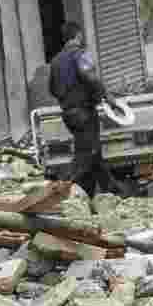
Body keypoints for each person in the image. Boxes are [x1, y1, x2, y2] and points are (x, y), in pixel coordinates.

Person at [48, 21, 124, 211]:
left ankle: (104, 193)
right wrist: (107, 96)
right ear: (78, 36)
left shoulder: (55, 61)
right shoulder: (80, 55)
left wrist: (68, 100)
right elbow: (90, 77)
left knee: (93, 154)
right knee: (85, 155)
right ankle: (60, 190)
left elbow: (52, 89)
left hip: (69, 114)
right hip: (84, 113)